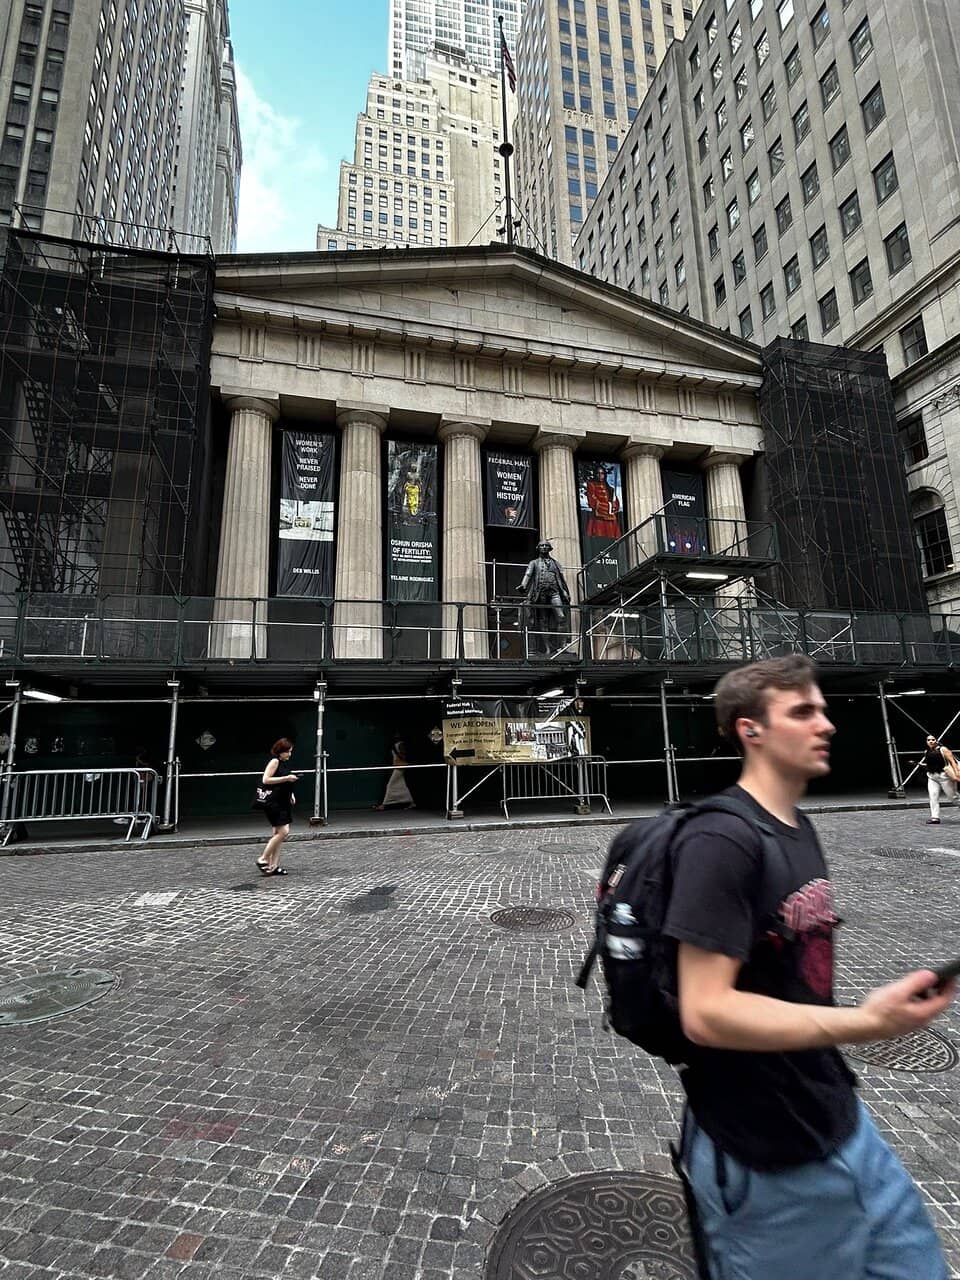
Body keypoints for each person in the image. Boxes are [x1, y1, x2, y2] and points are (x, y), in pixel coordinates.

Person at [662, 655, 955, 1280]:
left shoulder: (797, 827)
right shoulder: (721, 841)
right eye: (802, 711)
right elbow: (706, 1011)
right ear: (751, 730)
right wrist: (863, 1023)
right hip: (766, 1159)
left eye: (822, 708)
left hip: (841, 1126)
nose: (825, 723)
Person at [518, 539, 571, 655]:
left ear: (549, 548)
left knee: (561, 617)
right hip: (540, 594)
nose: (544, 547)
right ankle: (547, 648)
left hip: (554, 592)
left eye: (546, 546)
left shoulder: (556, 563)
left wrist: (565, 592)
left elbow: (561, 579)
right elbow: (528, 574)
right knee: (544, 621)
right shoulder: (534, 563)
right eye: (541, 546)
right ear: (538, 548)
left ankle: (562, 646)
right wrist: (523, 585)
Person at [257, 738, 297, 875]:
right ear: (281, 752)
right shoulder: (275, 762)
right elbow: (266, 779)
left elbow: (282, 782)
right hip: (274, 803)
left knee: (278, 834)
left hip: (282, 801)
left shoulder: (283, 763)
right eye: (288, 752)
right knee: (283, 832)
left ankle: (273, 866)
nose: (290, 754)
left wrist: (291, 794)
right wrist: (287, 778)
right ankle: (263, 858)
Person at [920, 733, 959, 824]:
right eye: (929, 740)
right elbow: (930, 764)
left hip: (944, 776)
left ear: (936, 741)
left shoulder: (943, 749)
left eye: (933, 739)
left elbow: (952, 762)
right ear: (926, 742)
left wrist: (957, 773)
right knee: (933, 796)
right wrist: (920, 764)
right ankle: (935, 817)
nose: (931, 741)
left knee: (953, 797)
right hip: (932, 776)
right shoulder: (926, 751)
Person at [373, 737, 415, 811]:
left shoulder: (400, 744)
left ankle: (384, 805)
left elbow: (403, 756)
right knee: (402, 785)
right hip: (396, 766)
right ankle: (411, 802)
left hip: (400, 767)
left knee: (389, 785)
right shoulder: (394, 745)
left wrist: (396, 751)